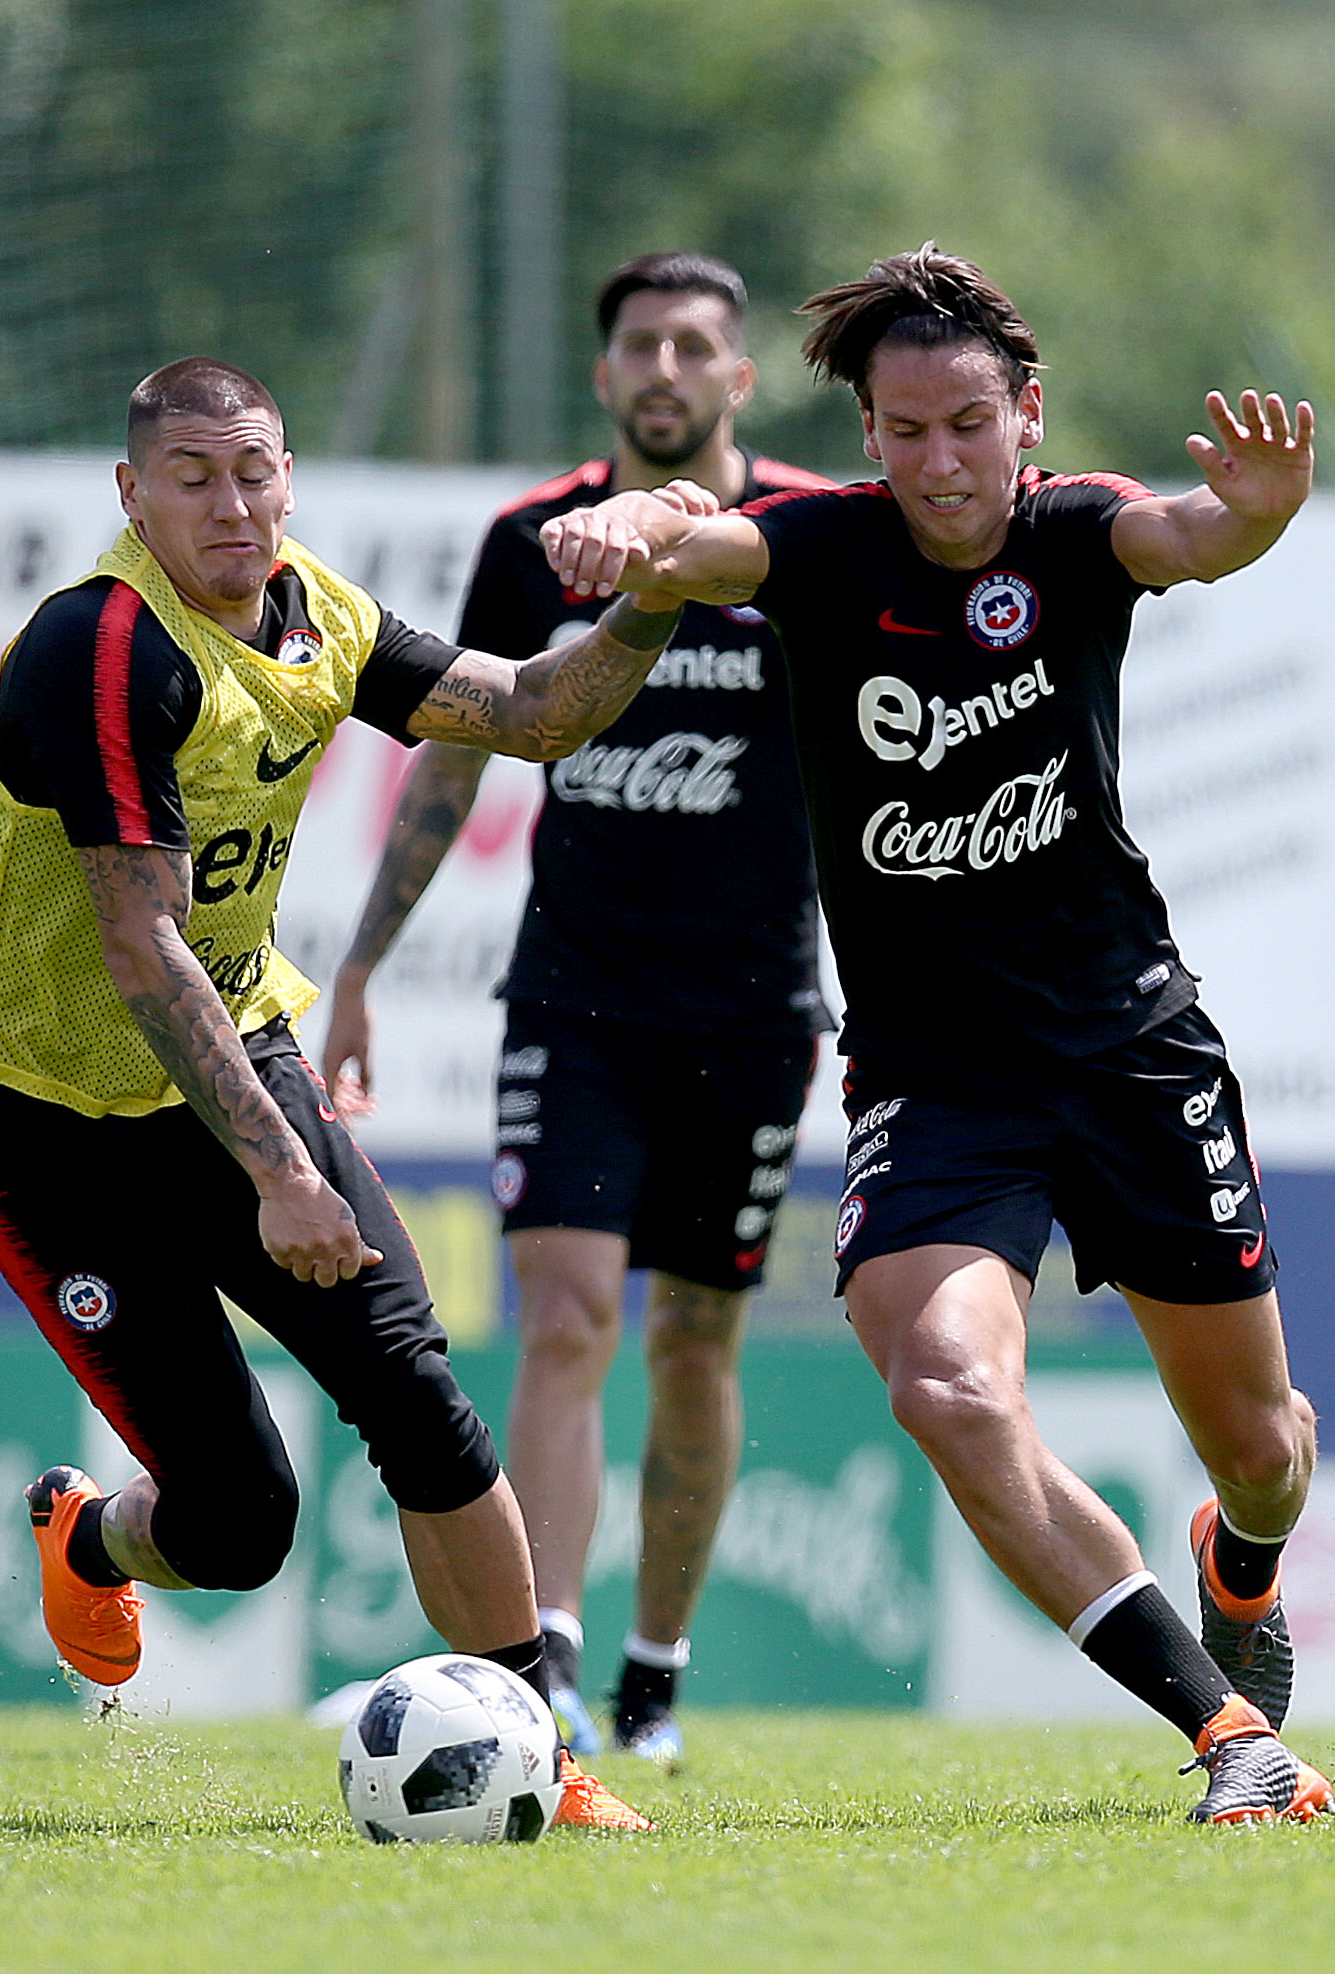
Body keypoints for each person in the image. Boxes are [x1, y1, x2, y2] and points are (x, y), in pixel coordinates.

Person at [537, 245, 1335, 1824]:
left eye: (966, 424)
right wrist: (631, 521)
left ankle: (1234, 1562)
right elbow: (695, 543)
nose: (936, 462)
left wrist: (1260, 507)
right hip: (935, 1079)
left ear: (1025, 417)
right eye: (902, 430)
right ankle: (1224, 1728)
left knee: (1261, 1448)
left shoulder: (1073, 530)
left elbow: (1196, 534)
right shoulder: (822, 551)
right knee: (945, 1385)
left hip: (1131, 1047)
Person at [0, 355, 690, 1830]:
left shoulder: (317, 611)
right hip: (42, 1124)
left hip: (237, 1052)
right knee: (240, 1523)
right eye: (192, 476)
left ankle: (546, 1758)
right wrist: (283, 1169)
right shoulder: (100, 644)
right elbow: (140, 942)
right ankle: (92, 1541)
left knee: (417, 1392)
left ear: (287, 476)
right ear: (131, 492)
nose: (230, 502)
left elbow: (532, 710)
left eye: (255, 470)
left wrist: (654, 592)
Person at [321, 252, 836, 1764]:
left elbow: (877, 774)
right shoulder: (524, 544)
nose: (666, 368)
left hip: (753, 1013)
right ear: (605, 378)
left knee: (693, 1347)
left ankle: (653, 1681)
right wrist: (358, 965)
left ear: (737, 379)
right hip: (574, 998)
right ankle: (528, 1678)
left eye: (694, 346)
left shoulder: (804, 539)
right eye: (639, 346)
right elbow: (454, 754)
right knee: (563, 1319)